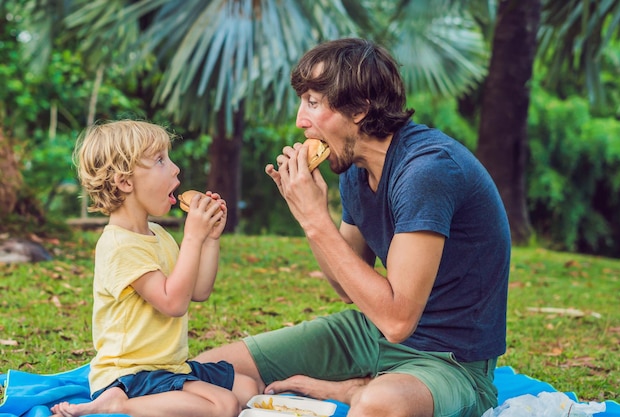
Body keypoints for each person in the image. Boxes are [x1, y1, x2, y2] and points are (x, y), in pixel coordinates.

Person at [195, 37, 511, 417]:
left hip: (449, 360)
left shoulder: (426, 171)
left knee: (379, 404)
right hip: (368, 334)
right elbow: (346, 289)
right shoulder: (355, 169)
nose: (300, 120)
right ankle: (357, 386)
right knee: (211, 369)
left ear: (360, 109)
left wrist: (315, 221)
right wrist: (308, 215)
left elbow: (397, 320)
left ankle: (359, 390)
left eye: (313, 102)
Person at [50, 120, 257, 417]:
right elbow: (173, 303)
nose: (175, 169)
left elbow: (197, 291)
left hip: (167, 368)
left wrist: (209, 239)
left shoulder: (158, 235)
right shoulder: (120, 246)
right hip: (131, 375)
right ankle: (119, 403)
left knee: (247, 388)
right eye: (160, 160)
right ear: (125, 181)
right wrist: (193, 236)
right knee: (224, 406)